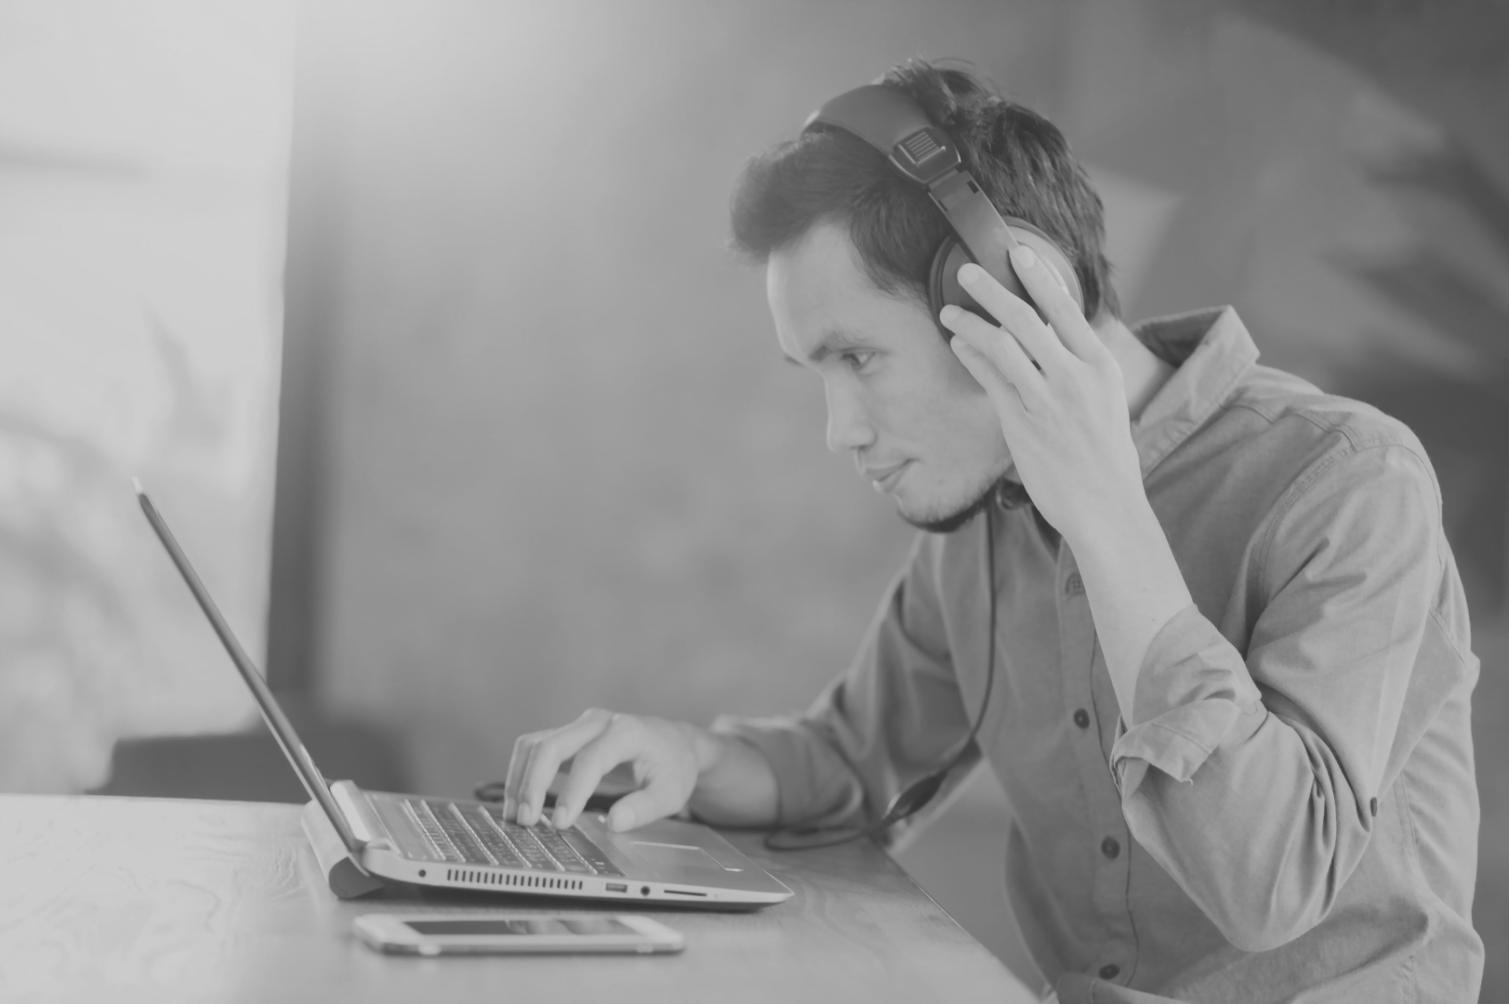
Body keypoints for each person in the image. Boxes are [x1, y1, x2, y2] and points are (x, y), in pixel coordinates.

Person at [498, 60, 1482, 1002]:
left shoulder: (1347, 482)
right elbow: (849, 761)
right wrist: (684, 755)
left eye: (858, 357)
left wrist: (1105, 515)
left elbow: (1269, 884)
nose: (841, 432)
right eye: (817, 373)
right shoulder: (977, 525)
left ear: (1013, 296)